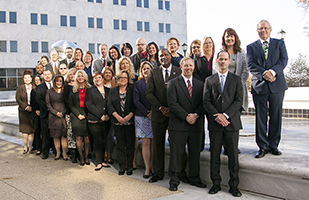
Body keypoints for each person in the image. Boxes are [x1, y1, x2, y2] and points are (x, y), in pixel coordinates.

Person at [203, 50, 243, 197]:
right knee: (214, 156)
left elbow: (238, 101)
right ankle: (216, 184)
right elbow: (206, 101)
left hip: (232, 124)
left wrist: (225, 115)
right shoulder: (210, 80)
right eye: (220, 59)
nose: (223, 62)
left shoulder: (236, 80)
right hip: (215, 125)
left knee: (233, 156)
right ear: (217, 61)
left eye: (225, 59)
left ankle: (234, 186)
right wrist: (217, 117)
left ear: (229, 61)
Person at [246, 20, 288, 158]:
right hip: (260, 87)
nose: (263, 31)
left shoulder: (279, 44)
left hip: (277, 85)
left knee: (276, 116)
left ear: (270, 30)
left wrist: (273, 72)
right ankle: (262, 147)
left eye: (265, 28)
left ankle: (273, 145)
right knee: (261, 117)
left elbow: (283, 60)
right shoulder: (251, 47)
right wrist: (264, 74)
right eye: (260, 28)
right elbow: (251, 65)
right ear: (257, 30)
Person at [167, 57, 206, 191]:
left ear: (193, 67)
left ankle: (194, 178)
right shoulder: (173, 83)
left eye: (190, 65)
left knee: (195, 153)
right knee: (176, 154)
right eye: (185, 66)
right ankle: (174, 180)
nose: (188, 68)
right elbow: (172, 103)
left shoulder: (200, 84)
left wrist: (195, 115)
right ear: (181, 67)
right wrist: (186, 116)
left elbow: (204, 103)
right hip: (178, 124)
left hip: (195, 124)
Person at [145, 48, 182, 183]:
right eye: (161, 56)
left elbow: (182, 92)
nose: (163, 57)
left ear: (170, 56)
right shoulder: (153, 73)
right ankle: (158, 173)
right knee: (158, 144)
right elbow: (149, 93)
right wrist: (161, 108)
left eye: (165, 55)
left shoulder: (178, 71)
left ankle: (177, 173)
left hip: (175, 115)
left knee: (176, 144)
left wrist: (172, 109)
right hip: (158, 113)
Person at [107, 70, 135, 176]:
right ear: (118, 79)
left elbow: (134, 105)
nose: (123, 79)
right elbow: (110, 105)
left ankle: (130, 167)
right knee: (120, 145)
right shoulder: (113, 91)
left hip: (129, 122)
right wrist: (118, 117)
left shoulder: (132, 90)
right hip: (117, 122)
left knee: (130, 145)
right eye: (121, 78)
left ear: (128, 80)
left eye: (125, 78)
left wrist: (128, 117)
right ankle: (122, 167)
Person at [85, 72, 111, 171]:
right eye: (95, 78)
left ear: (103, 79)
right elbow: (89, 105)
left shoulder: (109, 90)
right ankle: (99, 162)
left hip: (106, 119)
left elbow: (110, 103)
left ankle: (103, 161)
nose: (97, 79)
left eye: (99, 77)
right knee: (97, 141)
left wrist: (107, 115)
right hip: (94, 119)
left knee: (104, 140)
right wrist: (100, 116)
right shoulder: (90, 90)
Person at [133, 61, 154, 178]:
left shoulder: (156, 82)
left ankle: (152, 167)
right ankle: (146, 168)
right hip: (141, 116)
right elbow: (136, 101)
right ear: (141, 71)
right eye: (144, 69)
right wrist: (147, 112)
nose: (146, 70)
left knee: (153, 144)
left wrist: (153, 112)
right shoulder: (138, 84)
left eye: (148, 68)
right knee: (145, 143)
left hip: (155, 116)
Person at [221, 28, 249, 112]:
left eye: (232, 36)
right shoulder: (220, 52)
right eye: (227, 36)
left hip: (238, 88)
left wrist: (237, 84)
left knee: (236, 116)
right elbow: (215, 69)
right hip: (223, 88)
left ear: (235, 38)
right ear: (224, 39)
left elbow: (246, 70)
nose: (229, 39)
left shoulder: (242, 53)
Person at [68, 70, 91, 165]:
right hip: (76, 116)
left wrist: (85, 115)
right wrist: (78, 114)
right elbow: (71, 104)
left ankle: (86, 157)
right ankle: (80, 157)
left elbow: (91, 103)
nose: (80, 78)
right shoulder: (73, 90)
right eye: (78, 76)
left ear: (85, 77)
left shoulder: (90, 89)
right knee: (78, 138)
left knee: (87, 138)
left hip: (87, 115)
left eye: (82, 76)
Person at [46, 75, 67, 160]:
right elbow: (48, 104)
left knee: (64, 135)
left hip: (63, 116)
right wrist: (55, 113)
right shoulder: (49, 91)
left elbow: (68, 102)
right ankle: (58, 153)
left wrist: (63, 112)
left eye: (60, 81)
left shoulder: (65, 91)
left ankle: (64, 153)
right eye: (57, 81)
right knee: (56, 136)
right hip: (53, 116)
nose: (59, 83)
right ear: (54, 82)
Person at [16, 69, 35, 154]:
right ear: (23, 79)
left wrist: (32, 107)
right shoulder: (20, 88)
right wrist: (26, 107)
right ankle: (25, 147)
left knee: (31, 130)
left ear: (31, 78)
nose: (27, 79)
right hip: (23, 111)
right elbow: (18, 99)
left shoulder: (34, 87)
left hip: (32, 111)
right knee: (24, 130)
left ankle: (30, 147)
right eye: (25, 78)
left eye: (29, 78)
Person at [36, 69, 53, 159]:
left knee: (56, 133)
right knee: (45, 134)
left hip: (55, 114)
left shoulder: (56, 85)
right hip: (45, 114)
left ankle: (57, 151)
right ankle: (45, 152)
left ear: (51, 75)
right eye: (45, 75)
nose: (47, 76)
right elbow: (39, 100)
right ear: (43, 76)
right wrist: (49, 108)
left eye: (48, 74)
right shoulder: (40, 87)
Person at [64, 68, 78, 163]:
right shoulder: (66, 87)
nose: (72, 76)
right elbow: (66, 100)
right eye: (71, 74)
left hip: (80, 113)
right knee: (71, 133)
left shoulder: (79, 86)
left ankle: (80, 152)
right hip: (70, 113)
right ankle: (73, 154)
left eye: (74, 74)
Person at [102, 66, 115, 164]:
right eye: (106, 73)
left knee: (110, 135)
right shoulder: (100, 85)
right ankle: (103, 154)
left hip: (112, 113)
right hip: (101, 114)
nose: (107, 74)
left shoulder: (114, 85)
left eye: (109, 73)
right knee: (102, 135)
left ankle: (109, 154)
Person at [30, 75, 43, 155]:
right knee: (37, 131)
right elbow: (32, 102)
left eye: (39, 80)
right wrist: (36, 110)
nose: (37, 81)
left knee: (44, 132)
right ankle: (38, 148)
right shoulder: (33, 91)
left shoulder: (44, 89)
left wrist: (41, 110)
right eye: (36, 80)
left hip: (43, 112)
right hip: (35, 114)